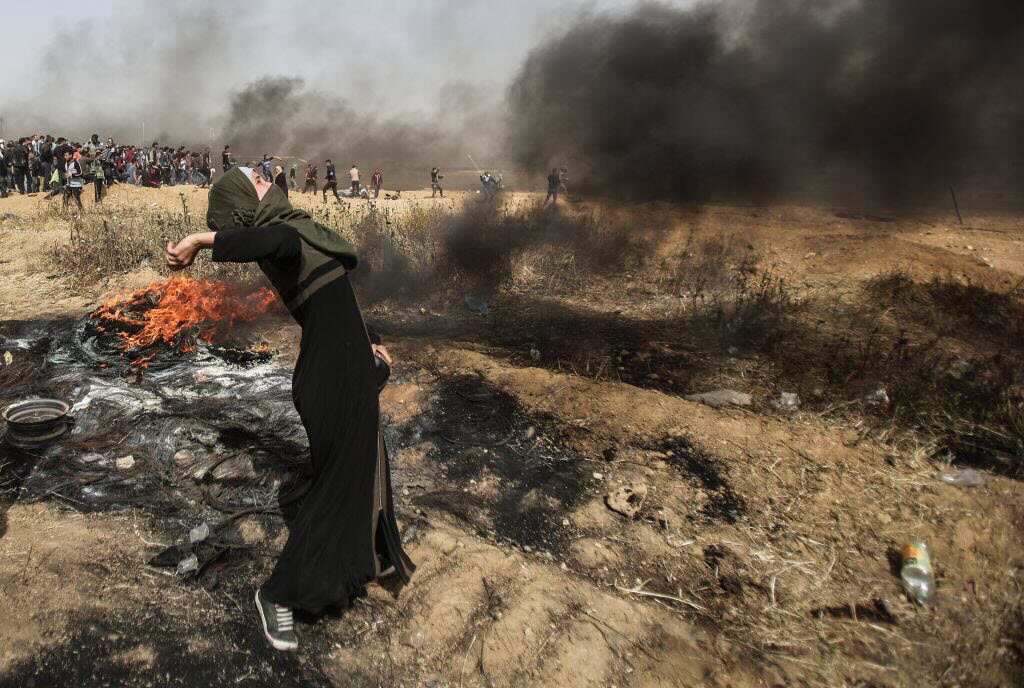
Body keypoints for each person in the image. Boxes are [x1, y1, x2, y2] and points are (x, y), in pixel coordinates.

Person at [163, 166, 415, 652]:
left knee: (363, 467)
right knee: (337, 487)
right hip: (330, 379)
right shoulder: (282, 241)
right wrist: (198, 239)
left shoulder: (296, 233)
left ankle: (365, 557)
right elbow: (266, 242)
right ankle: (279, 594)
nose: (266, 177)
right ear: (249, 205)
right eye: (256, 180)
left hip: (343, 369)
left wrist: (369, 341)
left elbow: (336, 303)